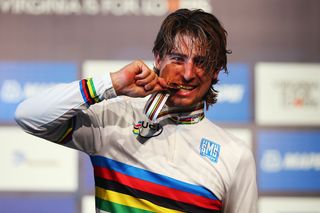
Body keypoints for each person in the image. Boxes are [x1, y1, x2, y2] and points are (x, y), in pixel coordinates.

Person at [15, 8, 257, 213]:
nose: (187, 73)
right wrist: (111, 84)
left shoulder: (234, 155)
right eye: (177, 58)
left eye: (201, 62)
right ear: (158, 58)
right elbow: (29, 116)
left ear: (216, 71)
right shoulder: (115, 119)